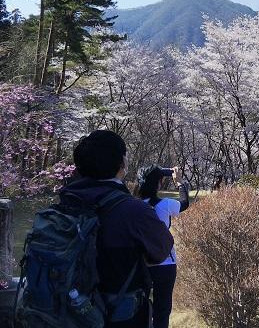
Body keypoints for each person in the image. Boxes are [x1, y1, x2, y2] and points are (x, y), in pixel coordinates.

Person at [61, 130, 174, 328]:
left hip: (66, 313)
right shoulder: (134, 210)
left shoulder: (64, 204)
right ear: (122, 163)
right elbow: (161, 250)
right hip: (120, 316)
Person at [137, 165, 190, 328]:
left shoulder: (134, 206)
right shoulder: (165, 205)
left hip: (141, 263)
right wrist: (179, 183)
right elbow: (184, 203)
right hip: (165, 262)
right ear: (159, 183)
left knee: (139, 306)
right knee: (163, 308)